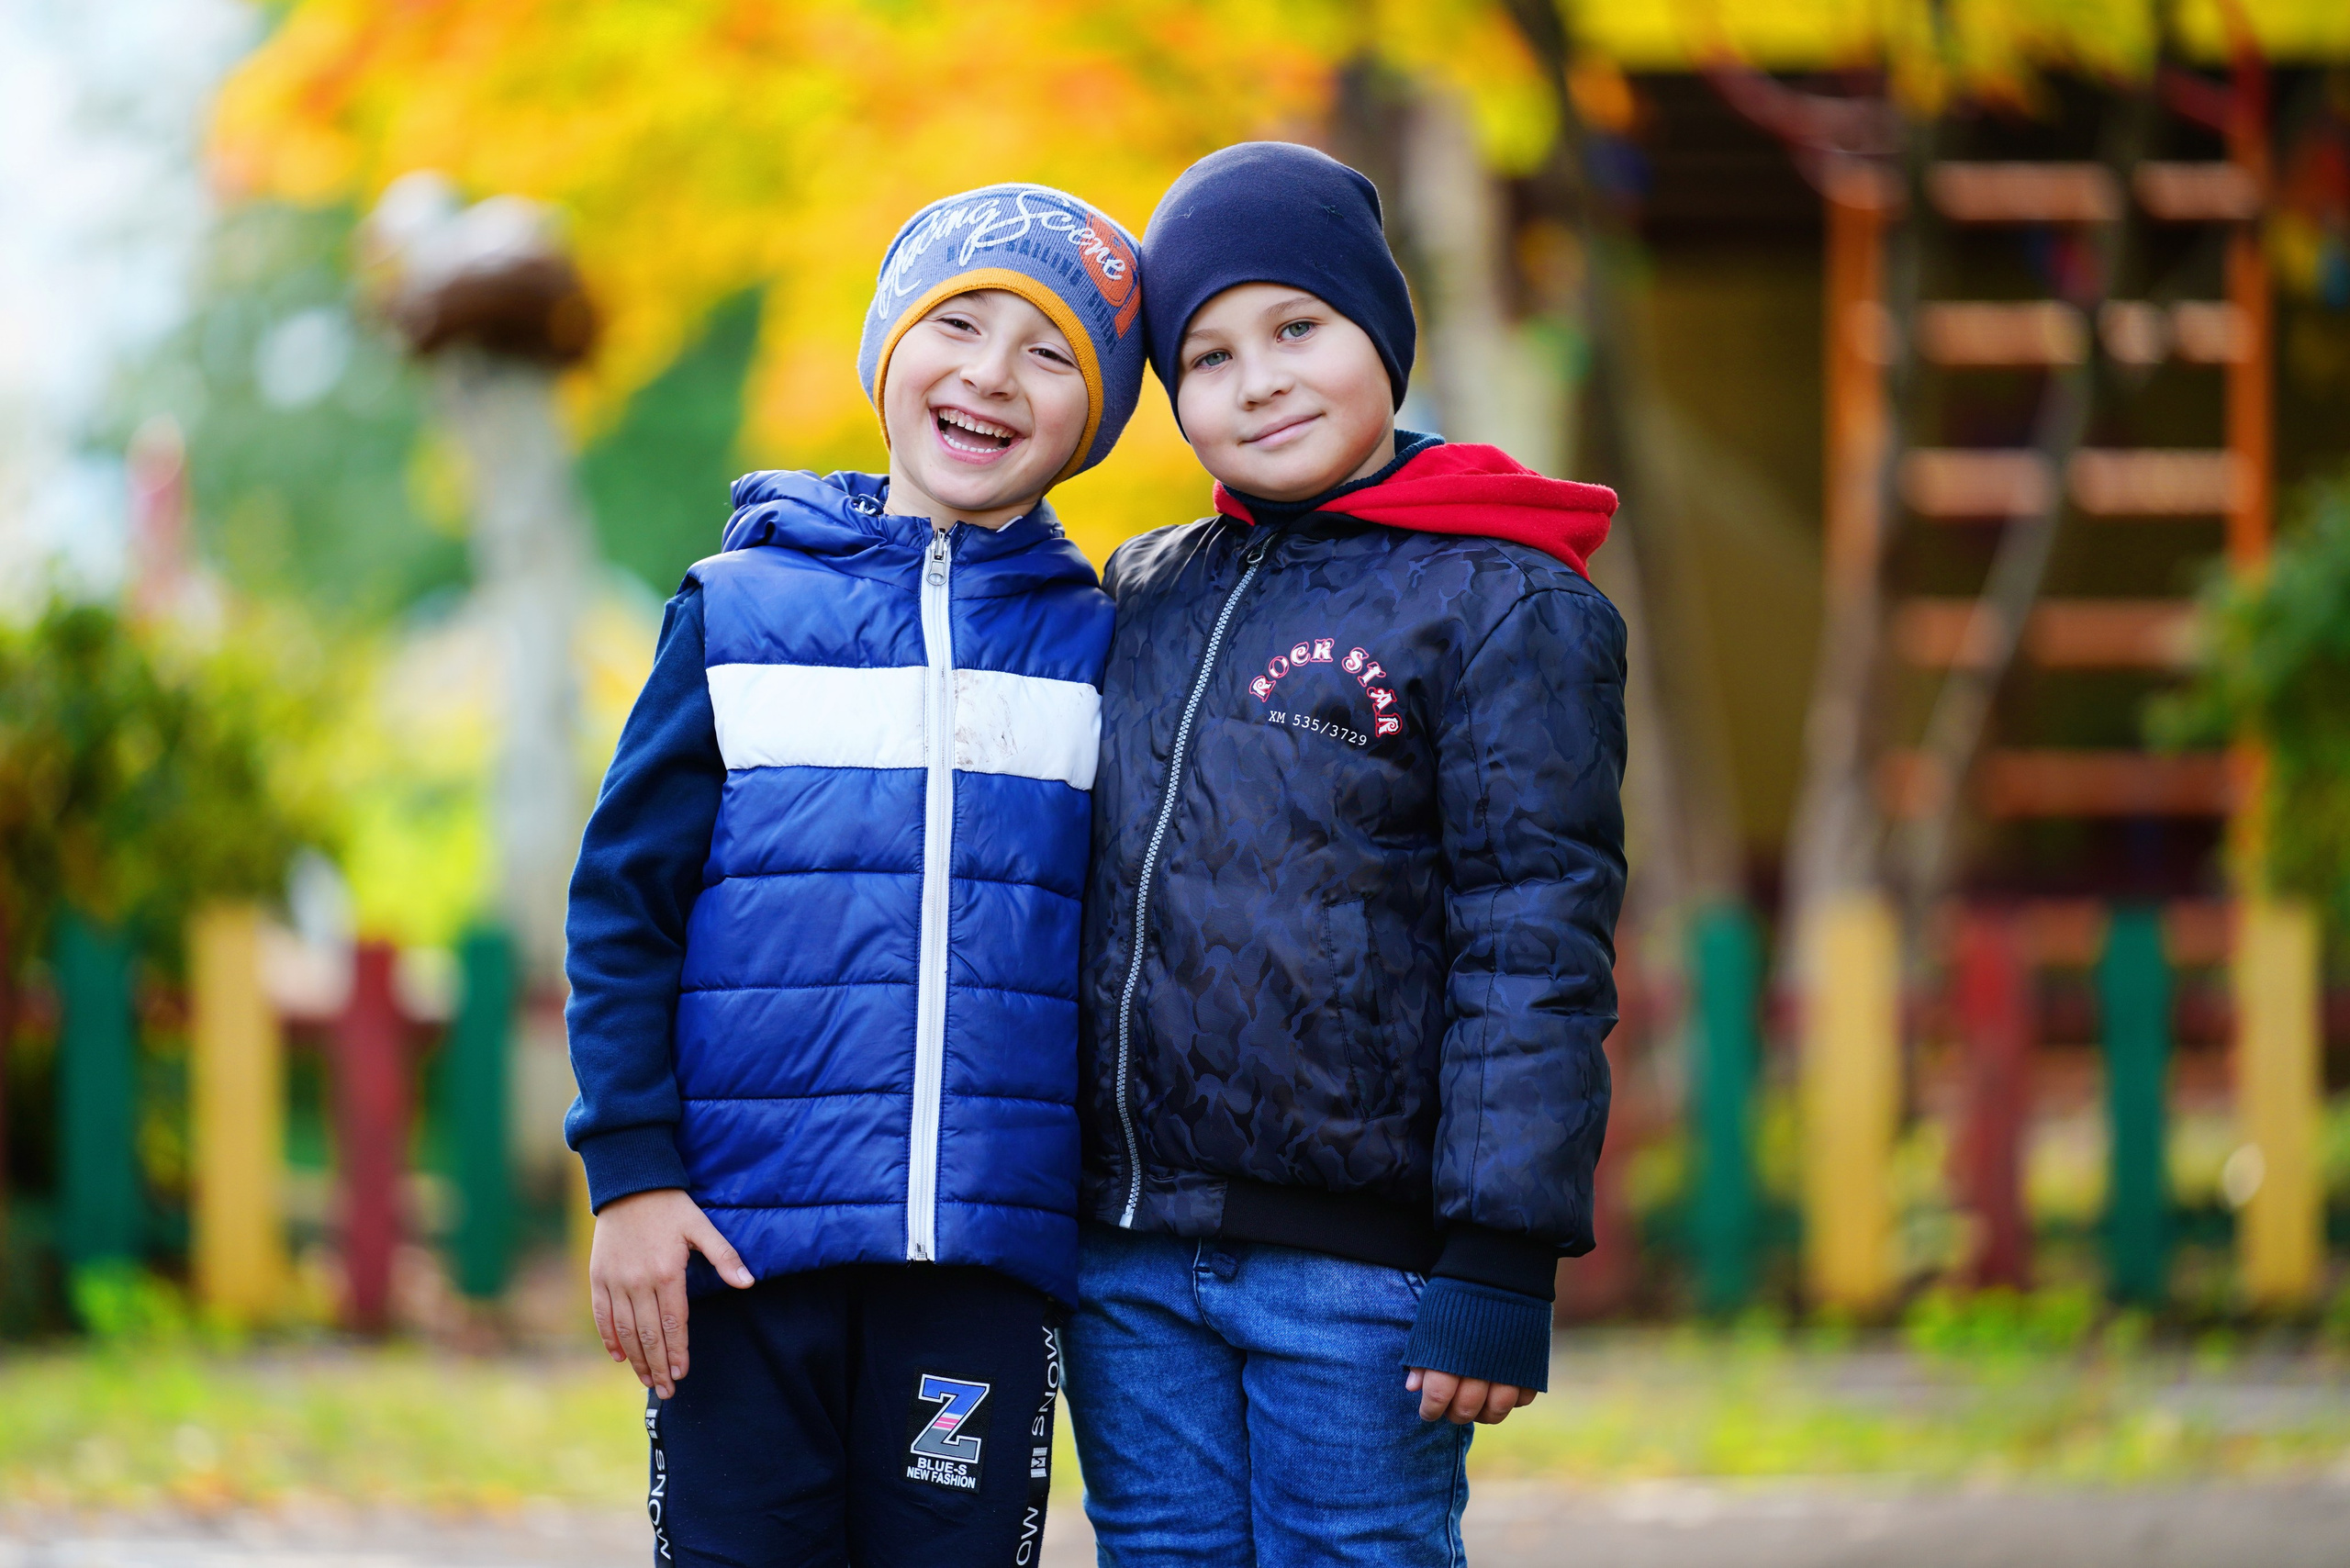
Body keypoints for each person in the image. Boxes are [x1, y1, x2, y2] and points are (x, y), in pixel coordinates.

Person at [561, 181, 1146, 1566]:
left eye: (1051, 352)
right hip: (741, 1252)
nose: (993, 375)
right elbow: (622, 909)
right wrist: (632, 1180)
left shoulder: (1104, 643)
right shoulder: (737, 612)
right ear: (891, 350)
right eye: (961, 324)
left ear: (1096, 422)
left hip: (984, 1276)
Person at [1067, 141, 1628, 1564]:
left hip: (1360, 1273)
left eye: (1297, 328)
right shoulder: (1146, 592)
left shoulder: (1500, 604)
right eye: (1207, 354)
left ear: (1382, 334)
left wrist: (1502, 1254)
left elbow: (1535, 935)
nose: (1257, 380)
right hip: (1131, 1257)